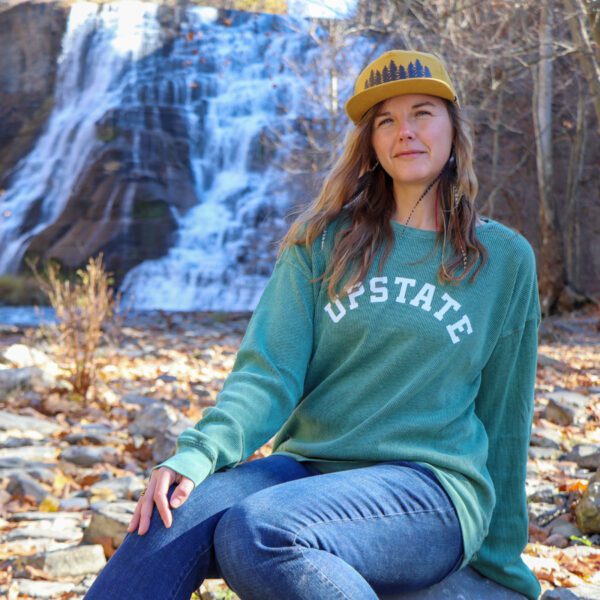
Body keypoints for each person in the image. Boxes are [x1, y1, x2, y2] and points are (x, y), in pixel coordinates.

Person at [85, 49, 542, 600]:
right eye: (385, 120)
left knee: (260, 531)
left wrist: (503, 569)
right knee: (168, 512)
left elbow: (506, 414)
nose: (406, 131)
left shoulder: (503, 258)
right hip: (307, 472)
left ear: (453, 127)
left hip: (429, 492)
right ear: (370, 144)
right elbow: (267, 373)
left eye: (422, 112)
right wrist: (198, 453)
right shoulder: (322, 242)